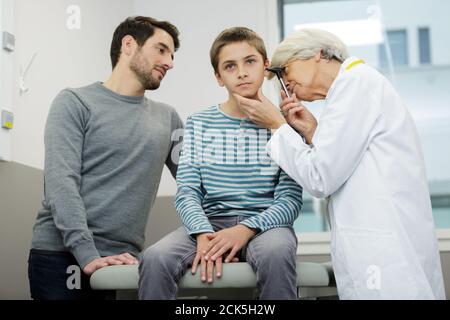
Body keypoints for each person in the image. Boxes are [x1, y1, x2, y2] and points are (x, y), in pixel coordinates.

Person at [234, 28, 446, 299]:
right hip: (382, 246)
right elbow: (348, 159)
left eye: (285, 71)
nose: (286, 85)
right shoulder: (356, 86)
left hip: (386, 253)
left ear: (318, 55)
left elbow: (320, 177)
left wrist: (276, 124)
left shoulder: (355, 84)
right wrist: (313, 133)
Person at [138, 27, 303, 300]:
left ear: (265, 67)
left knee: (276, 253)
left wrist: (245, 230)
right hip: (210, 223)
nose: (241, 72)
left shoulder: (285, 125)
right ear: (218, 77)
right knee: (155, 258)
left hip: (267, 227)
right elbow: (188, 191)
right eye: (230, 66)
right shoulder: (199, 123)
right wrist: (202, 233)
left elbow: (289, 201)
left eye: (250, 62)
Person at [28, 16, 183, 300]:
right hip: (60, 258)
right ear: (128, 45)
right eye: (161, 50)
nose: (170, 62)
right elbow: (61, 183)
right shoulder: (74, 102)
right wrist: (86, 254)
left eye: (172, 55)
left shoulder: (168, 118)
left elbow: (196, 179)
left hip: (119, 262)